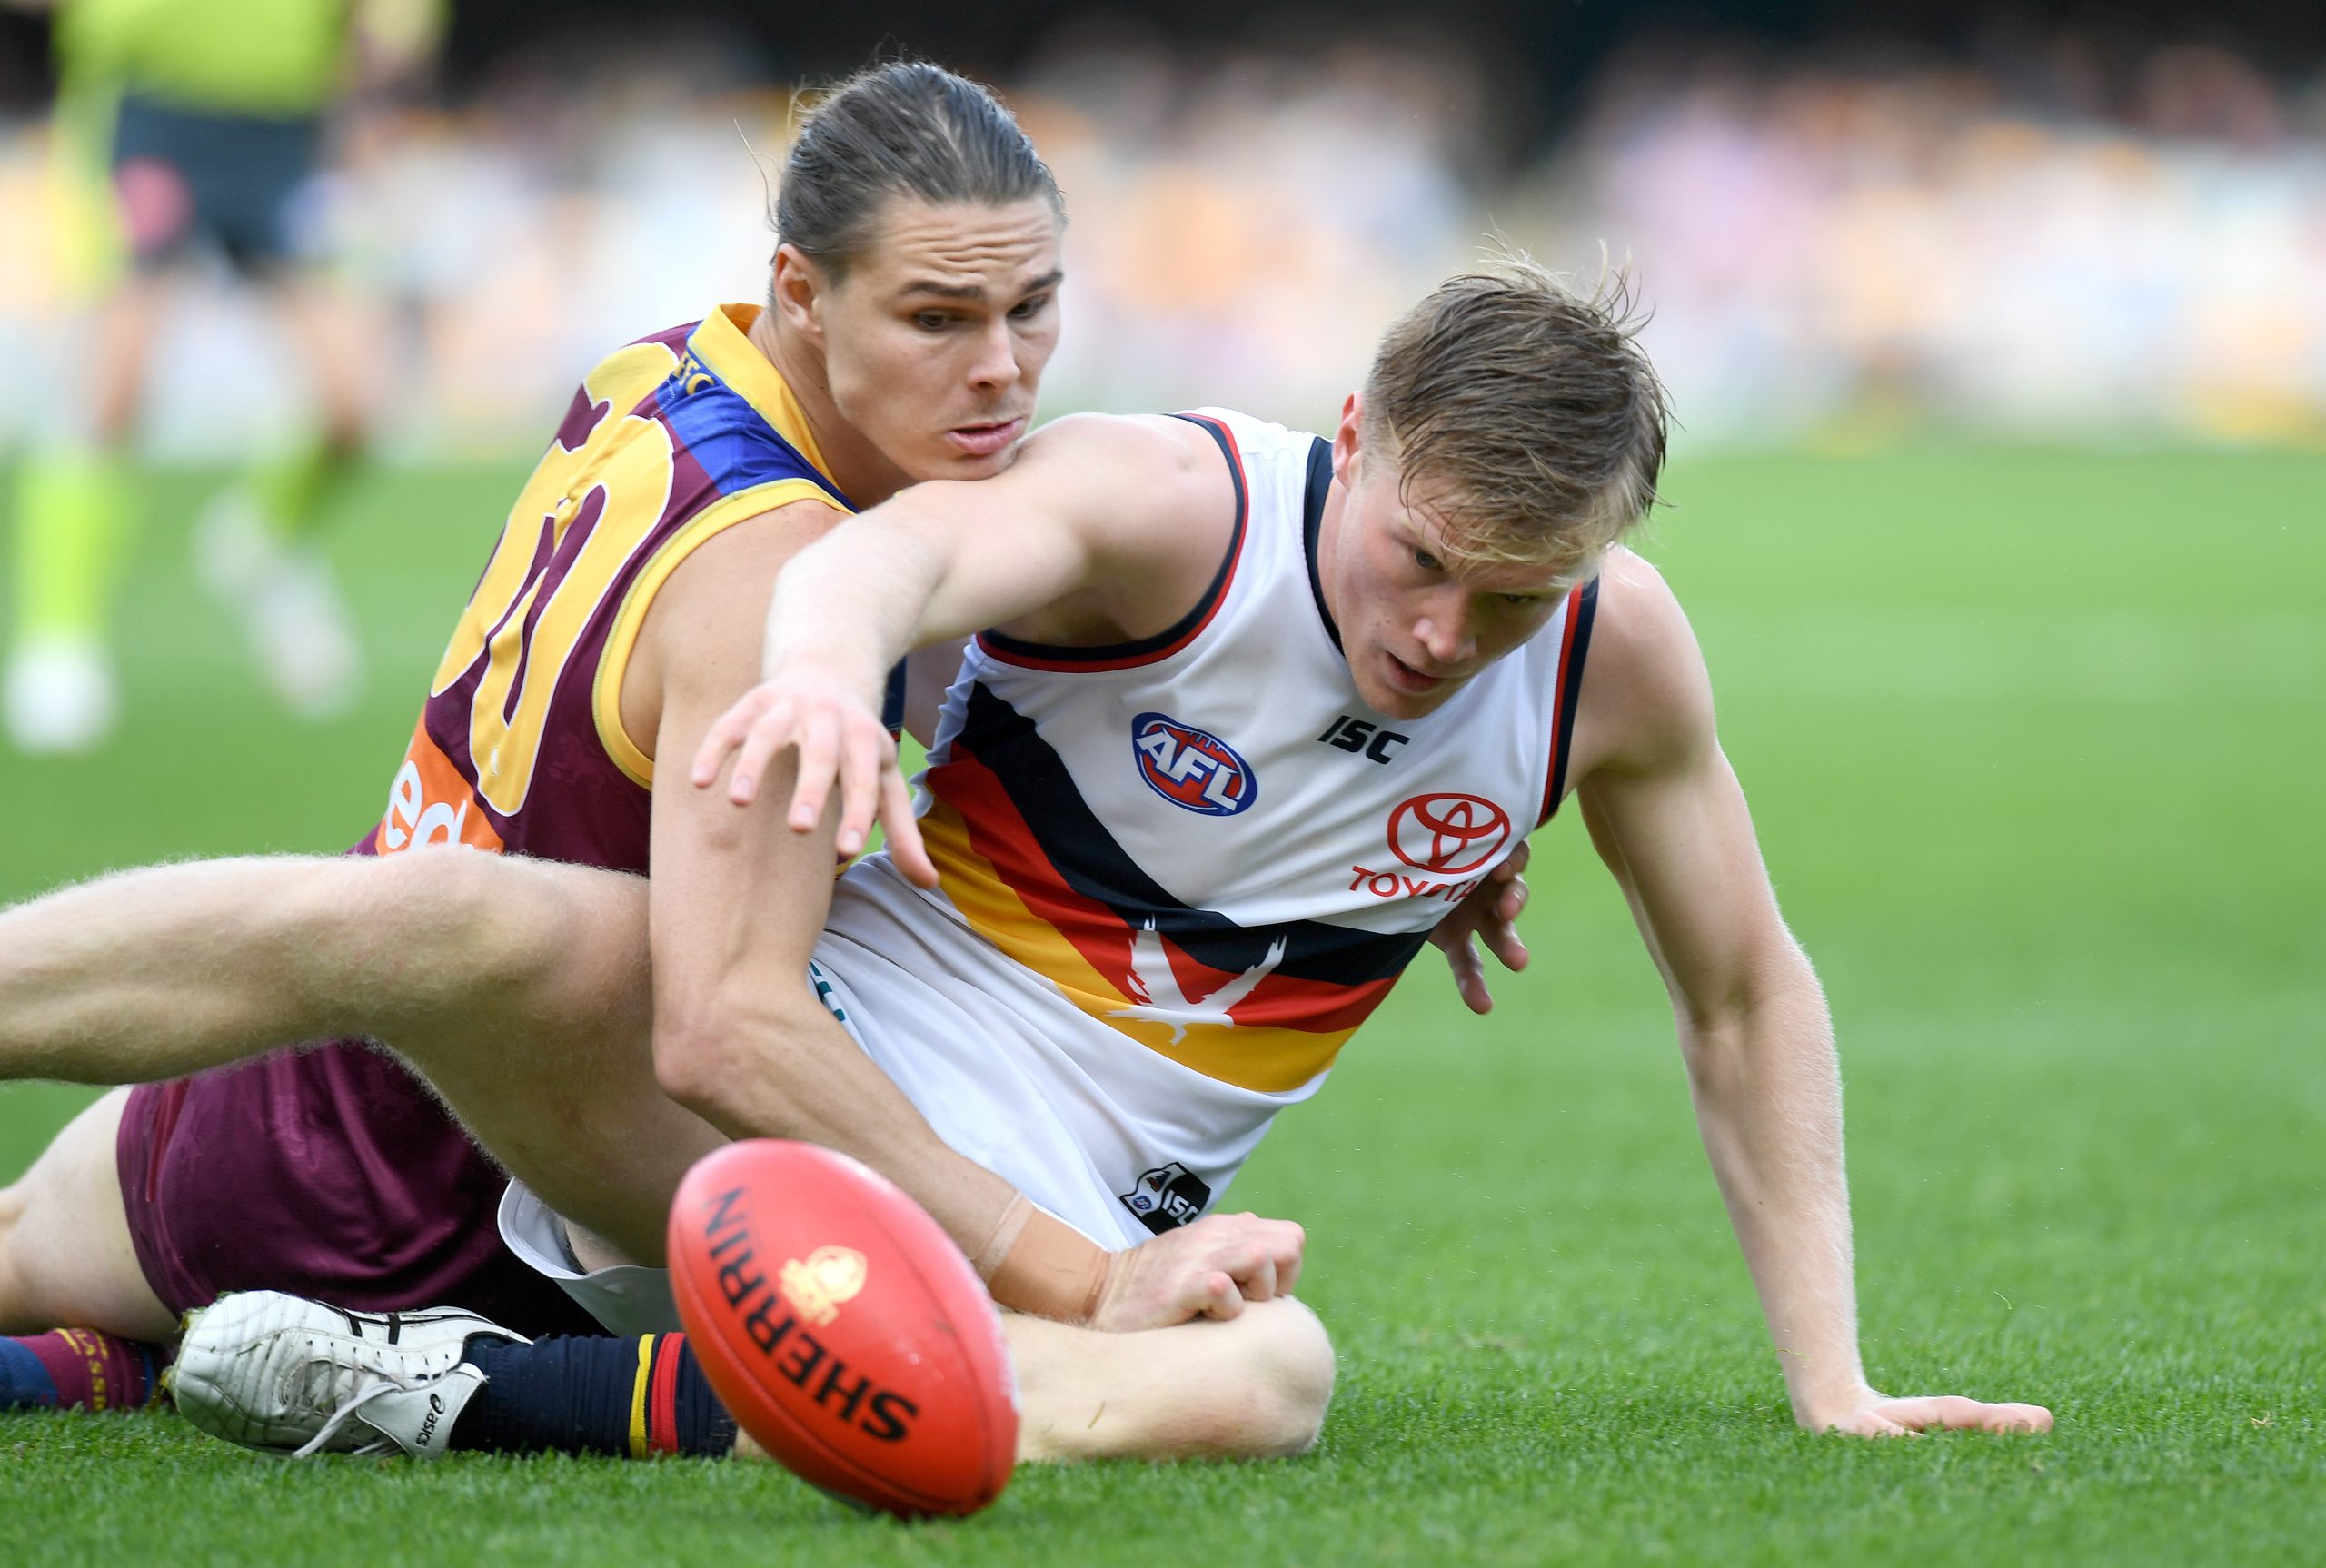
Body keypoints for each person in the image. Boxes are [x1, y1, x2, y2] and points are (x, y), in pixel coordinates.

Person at [4, 255, 2049, 1457]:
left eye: (1509, 602)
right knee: (435, 922)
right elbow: (900, 550)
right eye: (1419, 560)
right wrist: (819, 670)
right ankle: (448, 1361)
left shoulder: (1606, 661)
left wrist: (1833, 1378)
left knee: (1270, 1375)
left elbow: (1742, 986)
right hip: (752, 1104)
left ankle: (465, 1388)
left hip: (1016, 1258)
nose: (1443, 637)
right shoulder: (1177, 504)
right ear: (1354, 431)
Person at [0, 59, 1471, 1456]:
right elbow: (728, 1026)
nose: (1002, 371)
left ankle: (106, 1363)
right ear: (802, 293)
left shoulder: (670, 372)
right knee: (1212, 1374)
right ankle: (475, 1380)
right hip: (485, 1184)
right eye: (938, 319)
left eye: (1034, 308)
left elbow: (1042, 713)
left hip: (294, 1088)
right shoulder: (786, 567)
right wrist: (1075, 1275)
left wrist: (1378, 828)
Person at [2, 0, 443, 751]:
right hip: (150, 114)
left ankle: (259, 539)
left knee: (356, 399)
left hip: (286, 131)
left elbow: (393, 32)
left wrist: (383, 42)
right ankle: (58, 640)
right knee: (117, 381)